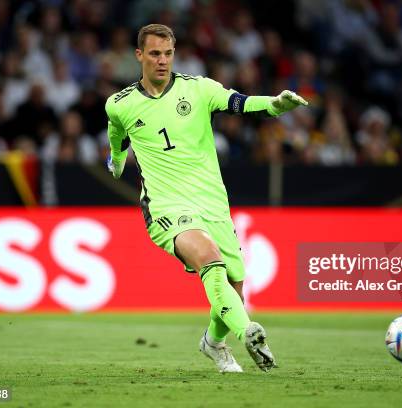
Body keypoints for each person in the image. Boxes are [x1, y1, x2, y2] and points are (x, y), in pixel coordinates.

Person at [104, 24, 307, 373]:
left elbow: (239, 103)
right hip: (166, 206)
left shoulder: (198, 89)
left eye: (168, 53)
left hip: (212, 202)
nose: (163, 61)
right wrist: (117, 161)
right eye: (155, 54)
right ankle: (250, 333)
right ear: (139, 56)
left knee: (235, 289)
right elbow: (117, 134)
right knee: (209, 262)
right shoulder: (119, 104)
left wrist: (274, 105)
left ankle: (213, 343)